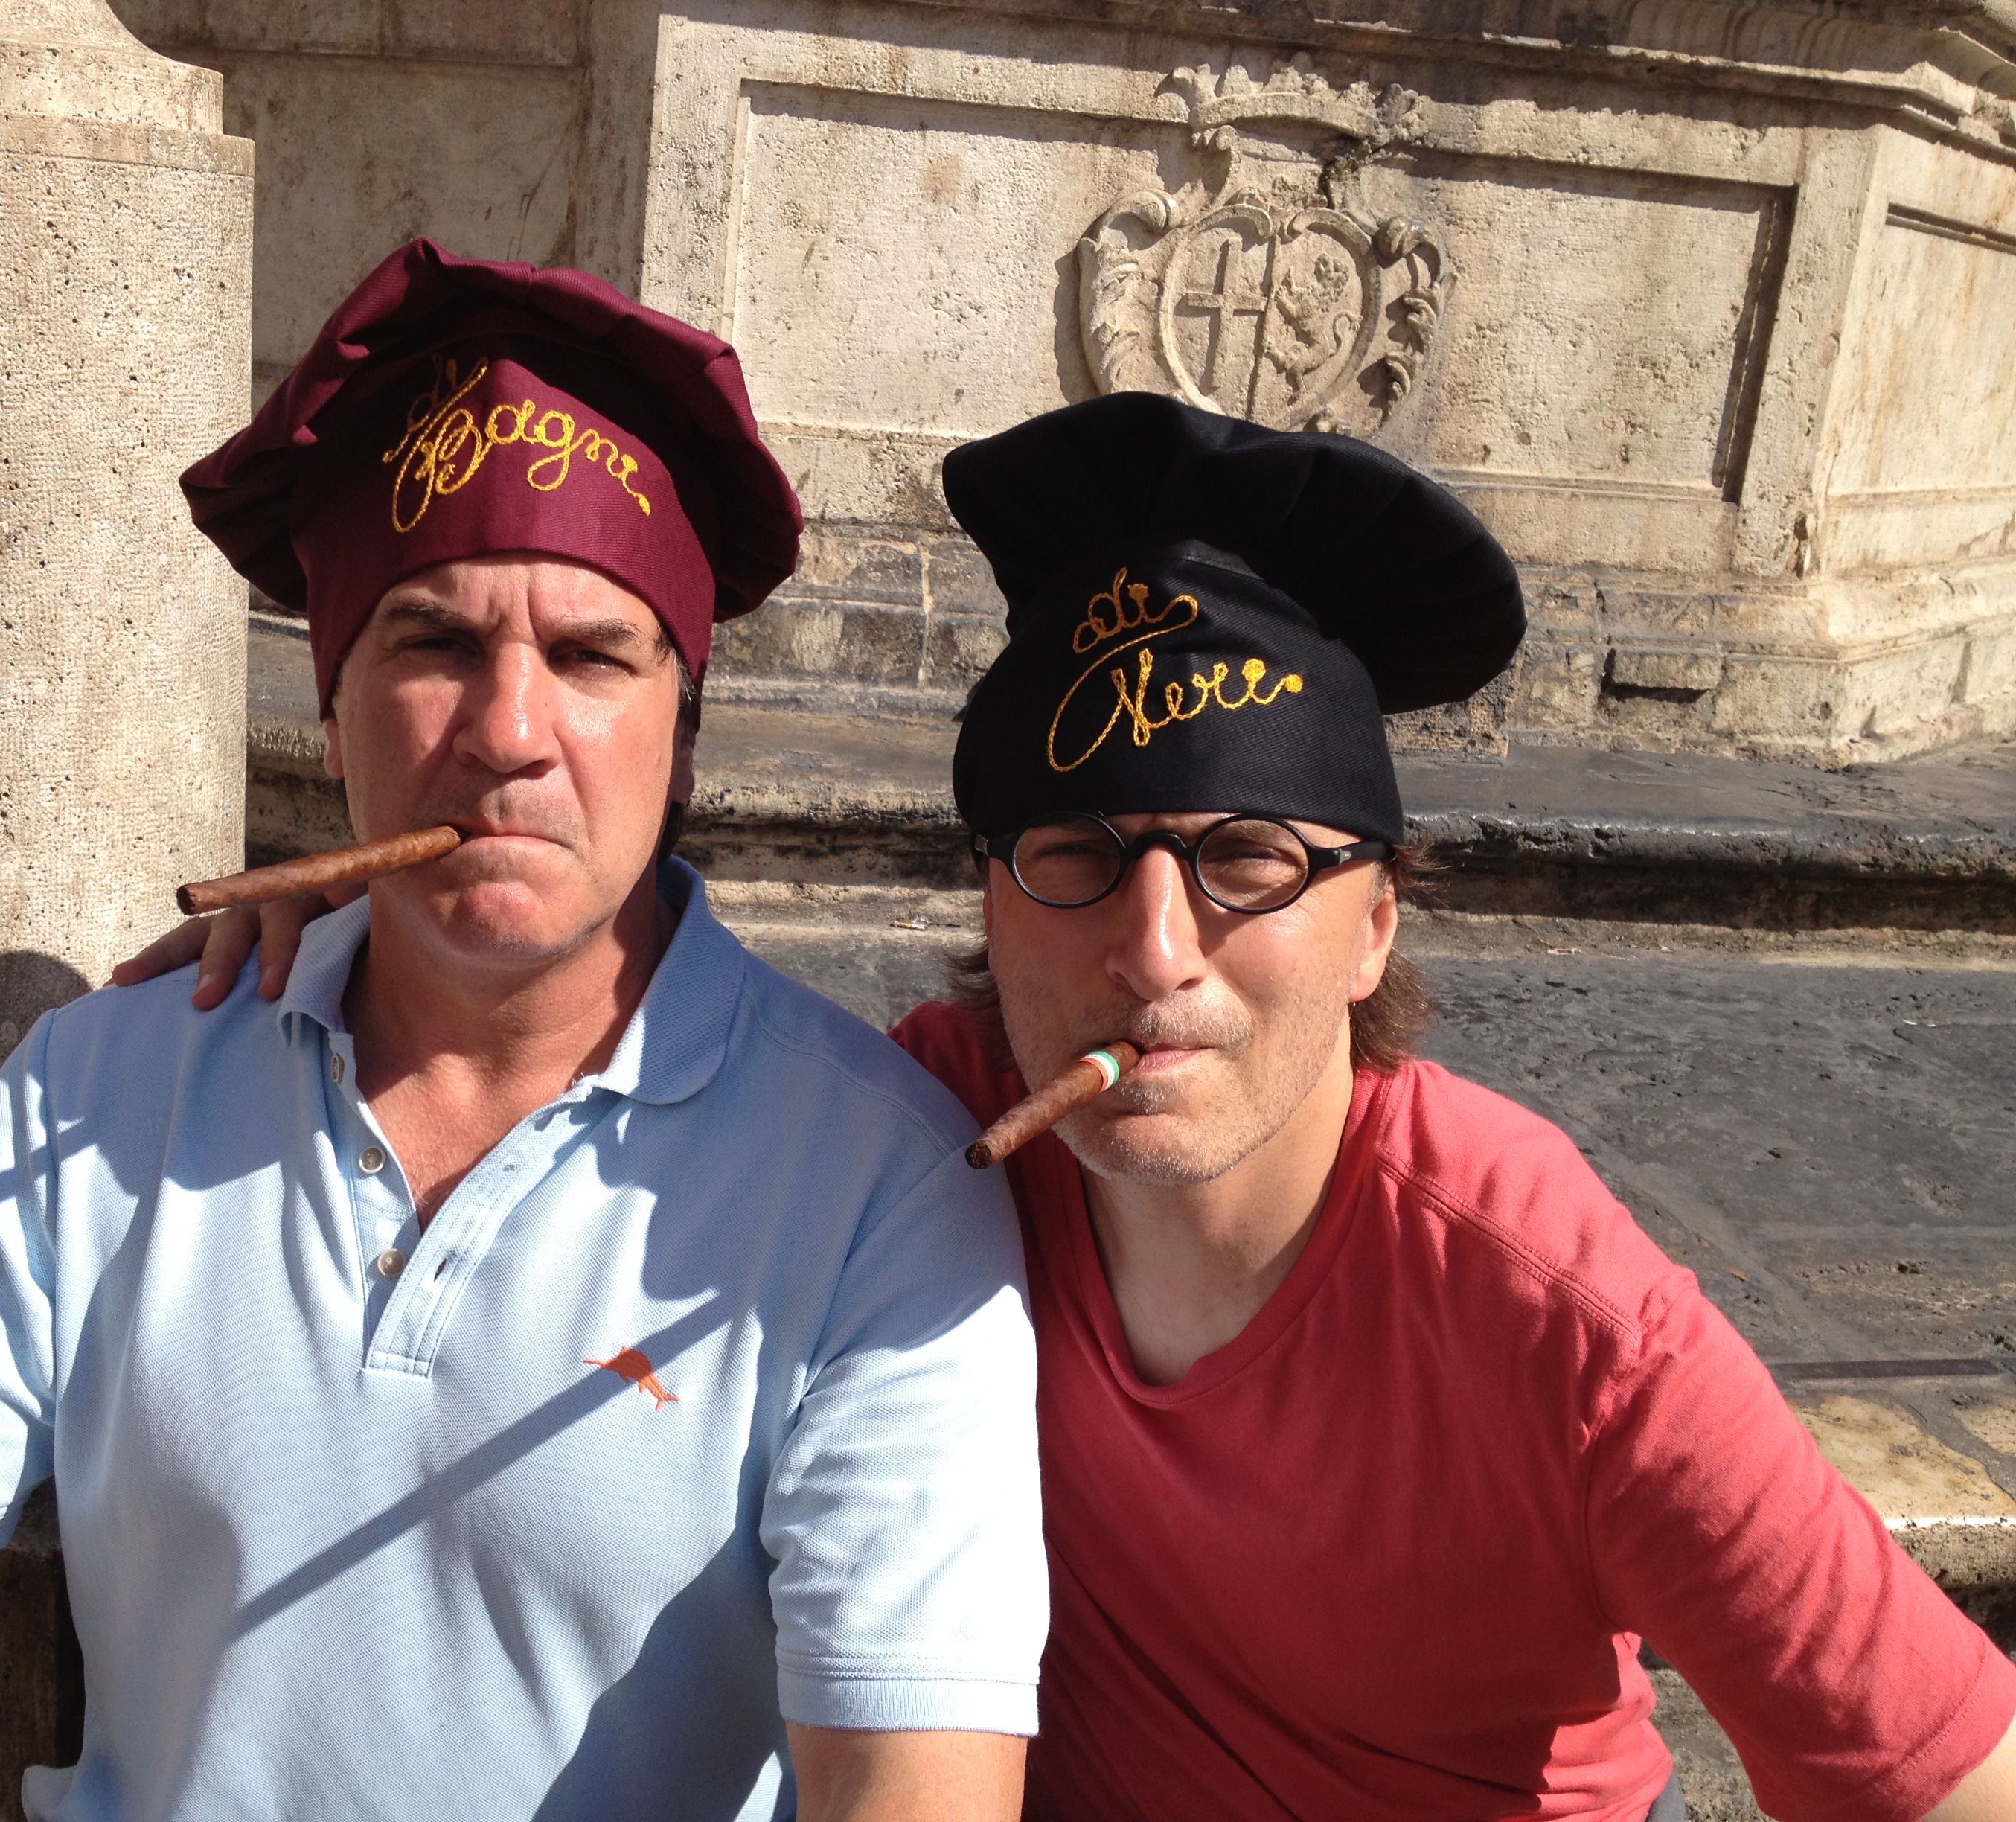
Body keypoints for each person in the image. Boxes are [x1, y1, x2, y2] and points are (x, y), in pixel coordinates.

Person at [138, 391, 2016, 1822]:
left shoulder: (1553, 1311)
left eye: (1250, 861)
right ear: (990, 903)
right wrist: (382, 944)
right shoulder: (922, 1141)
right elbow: (632, 1035)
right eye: (1078, 856)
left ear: (1376, 920)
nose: (1153, 950)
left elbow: (1946, 1771)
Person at [0, 242, 1047, 1822]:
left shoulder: (879, 1191)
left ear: (682, 732)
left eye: (588, 657)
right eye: (433, 644)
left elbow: (905, 1772)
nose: (508, 734)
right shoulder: (106, 1086)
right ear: (331, 711)